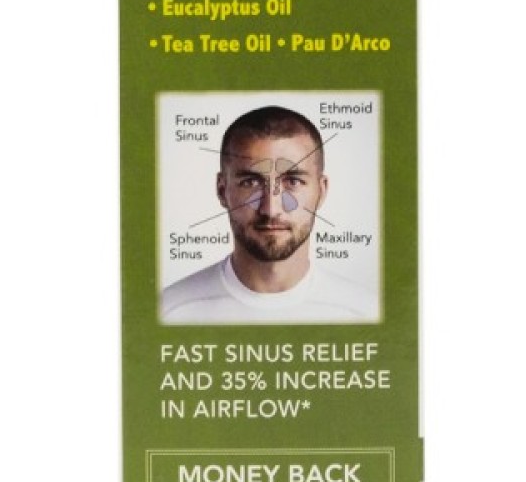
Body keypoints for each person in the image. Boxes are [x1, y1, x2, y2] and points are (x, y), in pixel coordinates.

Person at [161, 105, 376, 323]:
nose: (271, 209)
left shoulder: (366, 313)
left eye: (293, 181)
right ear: (222, 190)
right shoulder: (168, 312)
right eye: (251, 182)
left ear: (321, 192)